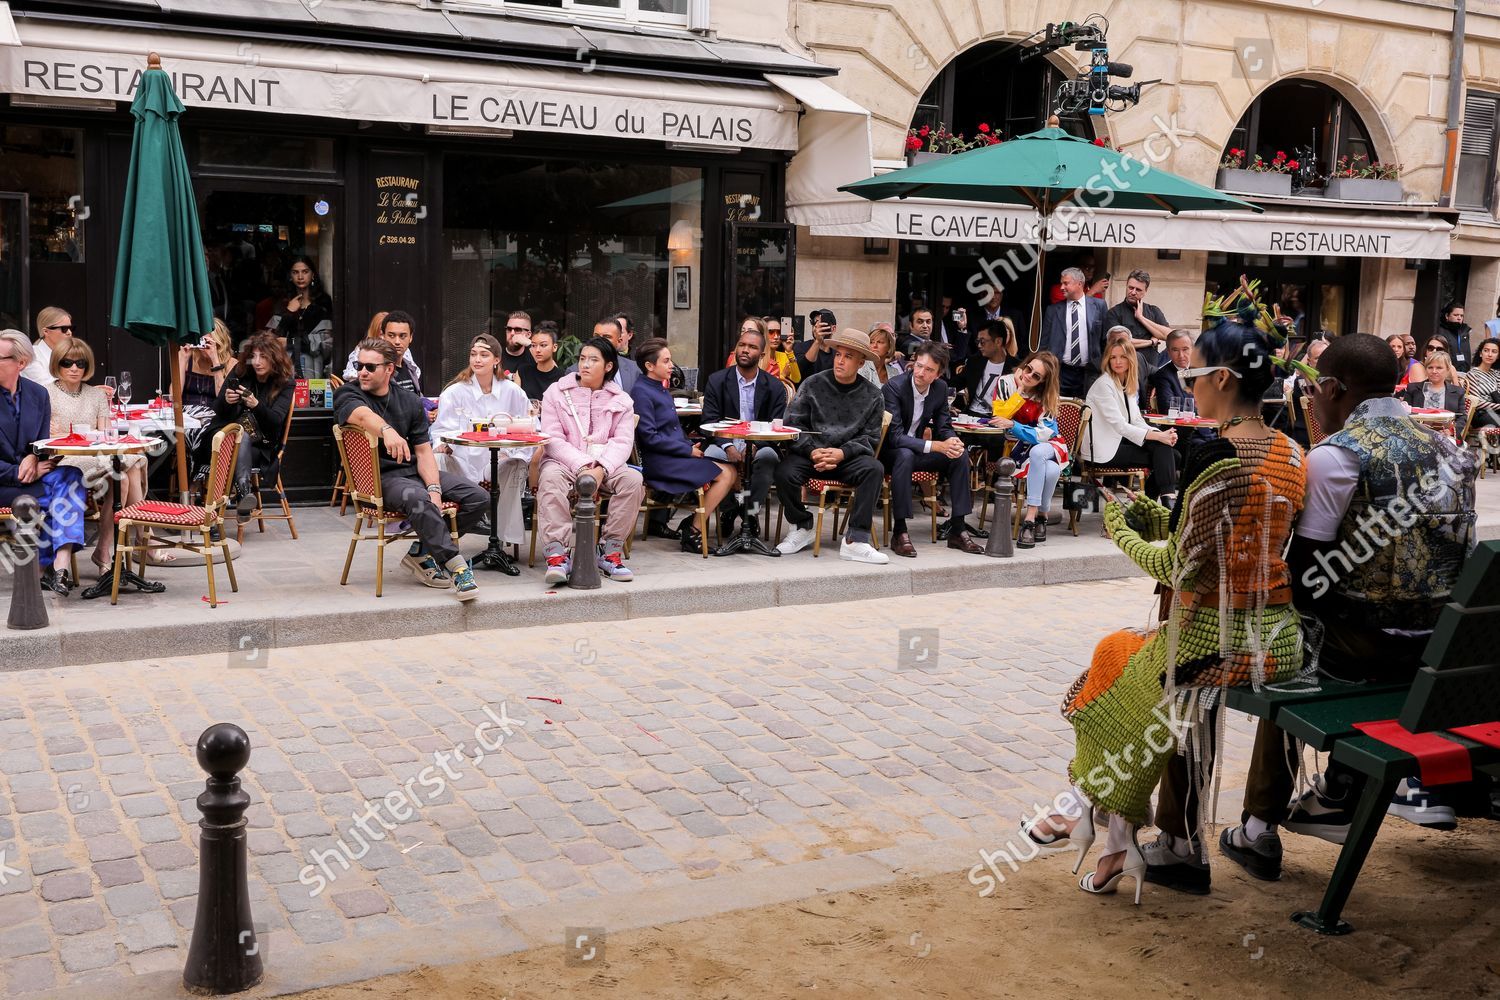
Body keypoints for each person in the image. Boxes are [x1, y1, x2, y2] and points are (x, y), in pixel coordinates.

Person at [1023, 308, 1307, 904]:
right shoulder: (1290, 450)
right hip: (1278, 632)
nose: (1188, 383)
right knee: (1124, 662)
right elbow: (1234, 535)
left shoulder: (1214, 455)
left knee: (1115, 666)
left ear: (1224, 379)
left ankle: (1097, 820)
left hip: (1217, 635)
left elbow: (1179, 568)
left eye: (1196, 372)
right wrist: (1155, 515)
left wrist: (1122, 534)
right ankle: (1101, 829)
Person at [1214, 333, 1476, 883]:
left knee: (1287, 645)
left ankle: (1261, 827)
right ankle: (1338, 786)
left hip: (1366, 649)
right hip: (1442, 651)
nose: (1310, 401)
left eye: (1313, 391)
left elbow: (1306, 578)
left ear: (1333, 388)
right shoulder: (1451, 451)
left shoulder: (1335, 457)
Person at [335, 338, 486, 600]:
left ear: (389, 369)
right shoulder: (349, 393)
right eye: (360, 365)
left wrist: (435, 489)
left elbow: (423, 451)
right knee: (419, 498)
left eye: (370, 367)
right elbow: (360, 416)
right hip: (379, 478)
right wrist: (387, 431)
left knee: (478, 497)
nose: (362, 372)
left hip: (414, 472)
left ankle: (422, 551)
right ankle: (457, 568)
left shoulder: (409, 401)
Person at [774, 328, 889, 564]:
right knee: (784, 471)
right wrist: (812, 450)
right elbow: (793, 423)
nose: (840, 360)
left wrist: (842, 453)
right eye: (838, 354)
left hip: (846, 457)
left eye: (848, 357)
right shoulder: (813, 384)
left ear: (860, 362)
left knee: (874, 469)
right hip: (812, 453)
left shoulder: (873, 395)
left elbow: (871, 437)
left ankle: (855, 540)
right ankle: (802, 526)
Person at [538, 336, 644, 585]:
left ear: (608, 366)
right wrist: (584, 466)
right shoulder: (557, 392)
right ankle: (557, 553)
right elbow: (552, 439)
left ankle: (610, 551)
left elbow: (622, 442)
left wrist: (602, 469)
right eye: (582, 358)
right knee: (550, 478)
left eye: (593, 360)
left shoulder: (621, 401)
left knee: (633, 479)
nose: (585, 364)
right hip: (564, 460)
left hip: (605, 463)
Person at [46, 339, 150, 575]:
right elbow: (48, 437)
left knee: (127, 469)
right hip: (67, 461)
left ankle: (105, 549)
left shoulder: (96, 395)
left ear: (87, 365)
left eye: (80, 363)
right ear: (57, 364)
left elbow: (106, 433)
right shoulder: (46, 394)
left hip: (97, 456)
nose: (74, 368)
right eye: (67, 362)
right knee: (126, 473)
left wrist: (81, 434)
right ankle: (142, 543)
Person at [431, 333, 533, 563]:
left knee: (516, 463)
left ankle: (502, 538)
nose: (477, 359)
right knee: (437, 462)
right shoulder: (455, 392)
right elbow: (439, 430)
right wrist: (443, 445)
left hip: (496, 461)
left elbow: (529, 426)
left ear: (496, 360)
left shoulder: (512, 391)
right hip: (462, 461)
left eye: (484, 355)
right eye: (473, 354)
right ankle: (442, 538)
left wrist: (512, 451)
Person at [631, 338, 739, 554]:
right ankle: (694, 529)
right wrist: (687, 450)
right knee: (727, 474)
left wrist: (689, 444)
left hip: (672, 456)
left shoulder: (658, 388)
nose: (672, 365)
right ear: (649, 366)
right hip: (659, 462)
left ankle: (694, 522)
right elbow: (649, 437)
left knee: (731, 471)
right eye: (666, 361)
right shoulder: (641, 392)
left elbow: (670, 429)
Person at [0, 330, 86, 594]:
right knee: (62, 498)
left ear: (20, 363)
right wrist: (22, 470)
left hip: (32, 477)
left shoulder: (38, 394)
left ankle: (59, 566)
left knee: (71, 476)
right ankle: (44, 568)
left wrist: (34, 457)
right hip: (3, 483)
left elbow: (42, 444)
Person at [880, 341, 984, 558]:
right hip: (890, 454)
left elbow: (944, 426)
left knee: (959, 456)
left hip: (918, 451)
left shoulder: (939, 389)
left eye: (928, 370)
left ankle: (958, 528)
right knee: (905, 454)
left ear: (938, 374)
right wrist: (936, 445)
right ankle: (899, 531)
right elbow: (896, 437)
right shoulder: (894, 387)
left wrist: (953, 442)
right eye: (918, 365)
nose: (920, 373)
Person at [701, 323, 787, 540]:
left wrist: (755, 446)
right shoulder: (717, 380)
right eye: (742, 345)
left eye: (752, 347)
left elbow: (775, 426)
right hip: (725, 442)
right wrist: (729, 446)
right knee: (711, 455)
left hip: (759, 444)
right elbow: (709, 421)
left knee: (768, 458)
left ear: (762, 353)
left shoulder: (774, 387)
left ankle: (749, 513)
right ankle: (730, 511)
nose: (745, 350)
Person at [200, 333, 297, 521]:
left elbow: (276, 420)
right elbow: (217, 410)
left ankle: (218, 515)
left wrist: (256, 405)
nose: (257, 362)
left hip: (260, 445)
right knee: (238, 435)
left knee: (237, 440)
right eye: (253, 356)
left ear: (275, 359)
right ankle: (244, 494)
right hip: (224, 436)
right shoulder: (241, 371)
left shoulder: (285, 382)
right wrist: (227, 401)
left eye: (264, 357)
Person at [1084, 334, 1179, 502]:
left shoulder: (1125, 383)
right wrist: (1159, 436)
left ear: (1131, 359)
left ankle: (1150, 502)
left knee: (1171, 453)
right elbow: (1120, 426)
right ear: (1107, 360)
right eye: (1113, 357)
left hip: (1119, 442)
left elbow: (1136, 420)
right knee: (1165, 452)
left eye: (1122, 357)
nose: (1117, 361)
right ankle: (1163, 501)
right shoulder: (1104, 385)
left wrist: (1162, 435)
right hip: (1103, 450)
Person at [989, 351, 1069, 549]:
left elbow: (1045, 434)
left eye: (1036, 376)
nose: (1028, 375)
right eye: (1028, 369)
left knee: (1038, 452)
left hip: (1051, 444)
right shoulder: (1005, 383)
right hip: (1018, 448)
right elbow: (999, 416)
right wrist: (1020, 390)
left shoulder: (1047, 396)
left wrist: (1014, 426)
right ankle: (1042, 515)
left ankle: (1030, 519)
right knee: (1050, 469)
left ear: (1043, 382)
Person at [1043, 267, 1109, 397]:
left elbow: (1105, 340)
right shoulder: (1053, 310)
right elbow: (1044, 343)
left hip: (1089, 372)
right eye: (1062, 283)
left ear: (1079, 284)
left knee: (1087, 412)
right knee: (1058, 411)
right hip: (1060, 372)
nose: (1061, 287)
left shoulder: (1099, 306)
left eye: (1066, 283)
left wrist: (1102, 367)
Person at [270, 256, 334, 377]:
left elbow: (326, 342)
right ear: (290, 276)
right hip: (285, 369)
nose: (300, 277)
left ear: (313, 274)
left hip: (314, 368)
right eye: (295, 272)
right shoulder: (283, 302)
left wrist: (290, 342)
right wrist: (289, 312)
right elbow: (270, 338)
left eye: (305, 271)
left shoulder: (322, 303)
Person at [343, 311, 423, 397]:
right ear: (383, 336)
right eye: (391, 335)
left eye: (402, 336)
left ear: (410, 337)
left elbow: (417, 397)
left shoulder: (409, 366)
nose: (397, 342)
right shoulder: (376, 370)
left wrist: (428, 407)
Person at [954, 319, 1018, 419]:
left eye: (982, 342)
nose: (979, 345)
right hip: (971, 416)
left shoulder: (1015, 367)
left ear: (998, 341)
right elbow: (955, 384)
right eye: (978, 341)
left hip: (998, 420)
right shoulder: (975, 361)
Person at [1103, 270, 1172, 361]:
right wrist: (1151, 342)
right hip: (1126, 369)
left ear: (1145, 291)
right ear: (1126, 286)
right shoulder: (1114, 313)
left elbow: (1170, 336)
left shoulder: (1154, 311)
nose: (1133, 292)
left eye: (1138, 290)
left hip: (1151, 370)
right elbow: (1120, 342)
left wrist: (1141, 318)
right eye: (1131, 288)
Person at [571, 318, 638, 392]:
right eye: (596, 336)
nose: (600, 340)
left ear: (619, 341)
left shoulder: (634, 369)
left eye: (607, 337)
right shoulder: (574, 371)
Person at [1403, 349, 1465, 417]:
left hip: (1446, 427)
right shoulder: (1413, 389)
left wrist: (1454, 428)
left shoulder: (1458, 392)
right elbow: (1405, 414)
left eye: (1439, 368)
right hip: (1418, 426)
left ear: (1447, 370)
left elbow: (1462, 417)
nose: (1434, 371)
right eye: (1430, 367)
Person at [22, 306, 73, 387]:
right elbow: (48, 388)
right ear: (46, 331)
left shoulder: (69, 355)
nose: (69, 332)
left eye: (71, 328)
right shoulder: (31, 355)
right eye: (64, 328)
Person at [521, 322, 566, 402]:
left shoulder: (563, 377)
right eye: (534, 345)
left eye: (543, 345)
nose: (537, 350)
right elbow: (515, 402)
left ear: (554, 347)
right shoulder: (523, 371)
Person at [1464, 337, 1500, 432]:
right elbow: (1477, 402)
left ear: (1498, 356)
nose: (1489, 354)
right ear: (1480, 353)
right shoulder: (1472, 374)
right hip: (1480, 414)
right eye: (1486, 350)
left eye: (1494, 351)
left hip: (1496, 412)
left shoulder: (1496, 374)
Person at [798, 308, 838, 377]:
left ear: (833, 329)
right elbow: (799, 370)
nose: (816, 325)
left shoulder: (837, 354)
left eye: (821, 323)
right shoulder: (801, 347)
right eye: (814, 322)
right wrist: (818, 341)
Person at [497, 310, 536, 378]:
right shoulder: (496, 354)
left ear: (528, 334)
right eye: (509, 329)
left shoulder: (534, 355)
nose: (512, 333)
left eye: (517, 330)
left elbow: (554, 374)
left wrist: (529, 343)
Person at [762, 316, 801, 385]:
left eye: (779, 332)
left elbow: (796, 379)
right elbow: (763, 385)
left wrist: (789, 351)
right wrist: (782, 375)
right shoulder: (757, 357)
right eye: (771, 332)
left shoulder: (784, 356)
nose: (776, 336)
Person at [1436, 302, 1473, 372]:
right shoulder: (1440, 331)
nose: (1459, 318)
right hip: (1447, 372)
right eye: (1456, 315)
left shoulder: (1465, 332)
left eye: (1461, 316)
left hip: (1464, 373)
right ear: (1447, 316)